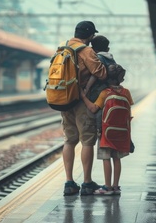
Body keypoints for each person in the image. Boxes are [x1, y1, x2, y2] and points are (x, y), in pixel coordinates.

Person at [61, 21, 107, 196]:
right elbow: (101, 72)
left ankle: (69, 182)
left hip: (65, 99)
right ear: (89, 35)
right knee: (87, 140)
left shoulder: (63, 47)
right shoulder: (86, 50)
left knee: (69, 140)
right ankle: (87, 183)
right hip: (82, 101)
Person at [80, 64, 133, 195]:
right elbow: (129, 112)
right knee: (117, 158)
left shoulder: (105, 93)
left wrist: (83, 97)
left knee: (106, 158)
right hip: (122, 132)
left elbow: (93, 109)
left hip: (106, 132)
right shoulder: (126, 93)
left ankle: (107, 187)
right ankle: (115, 187)